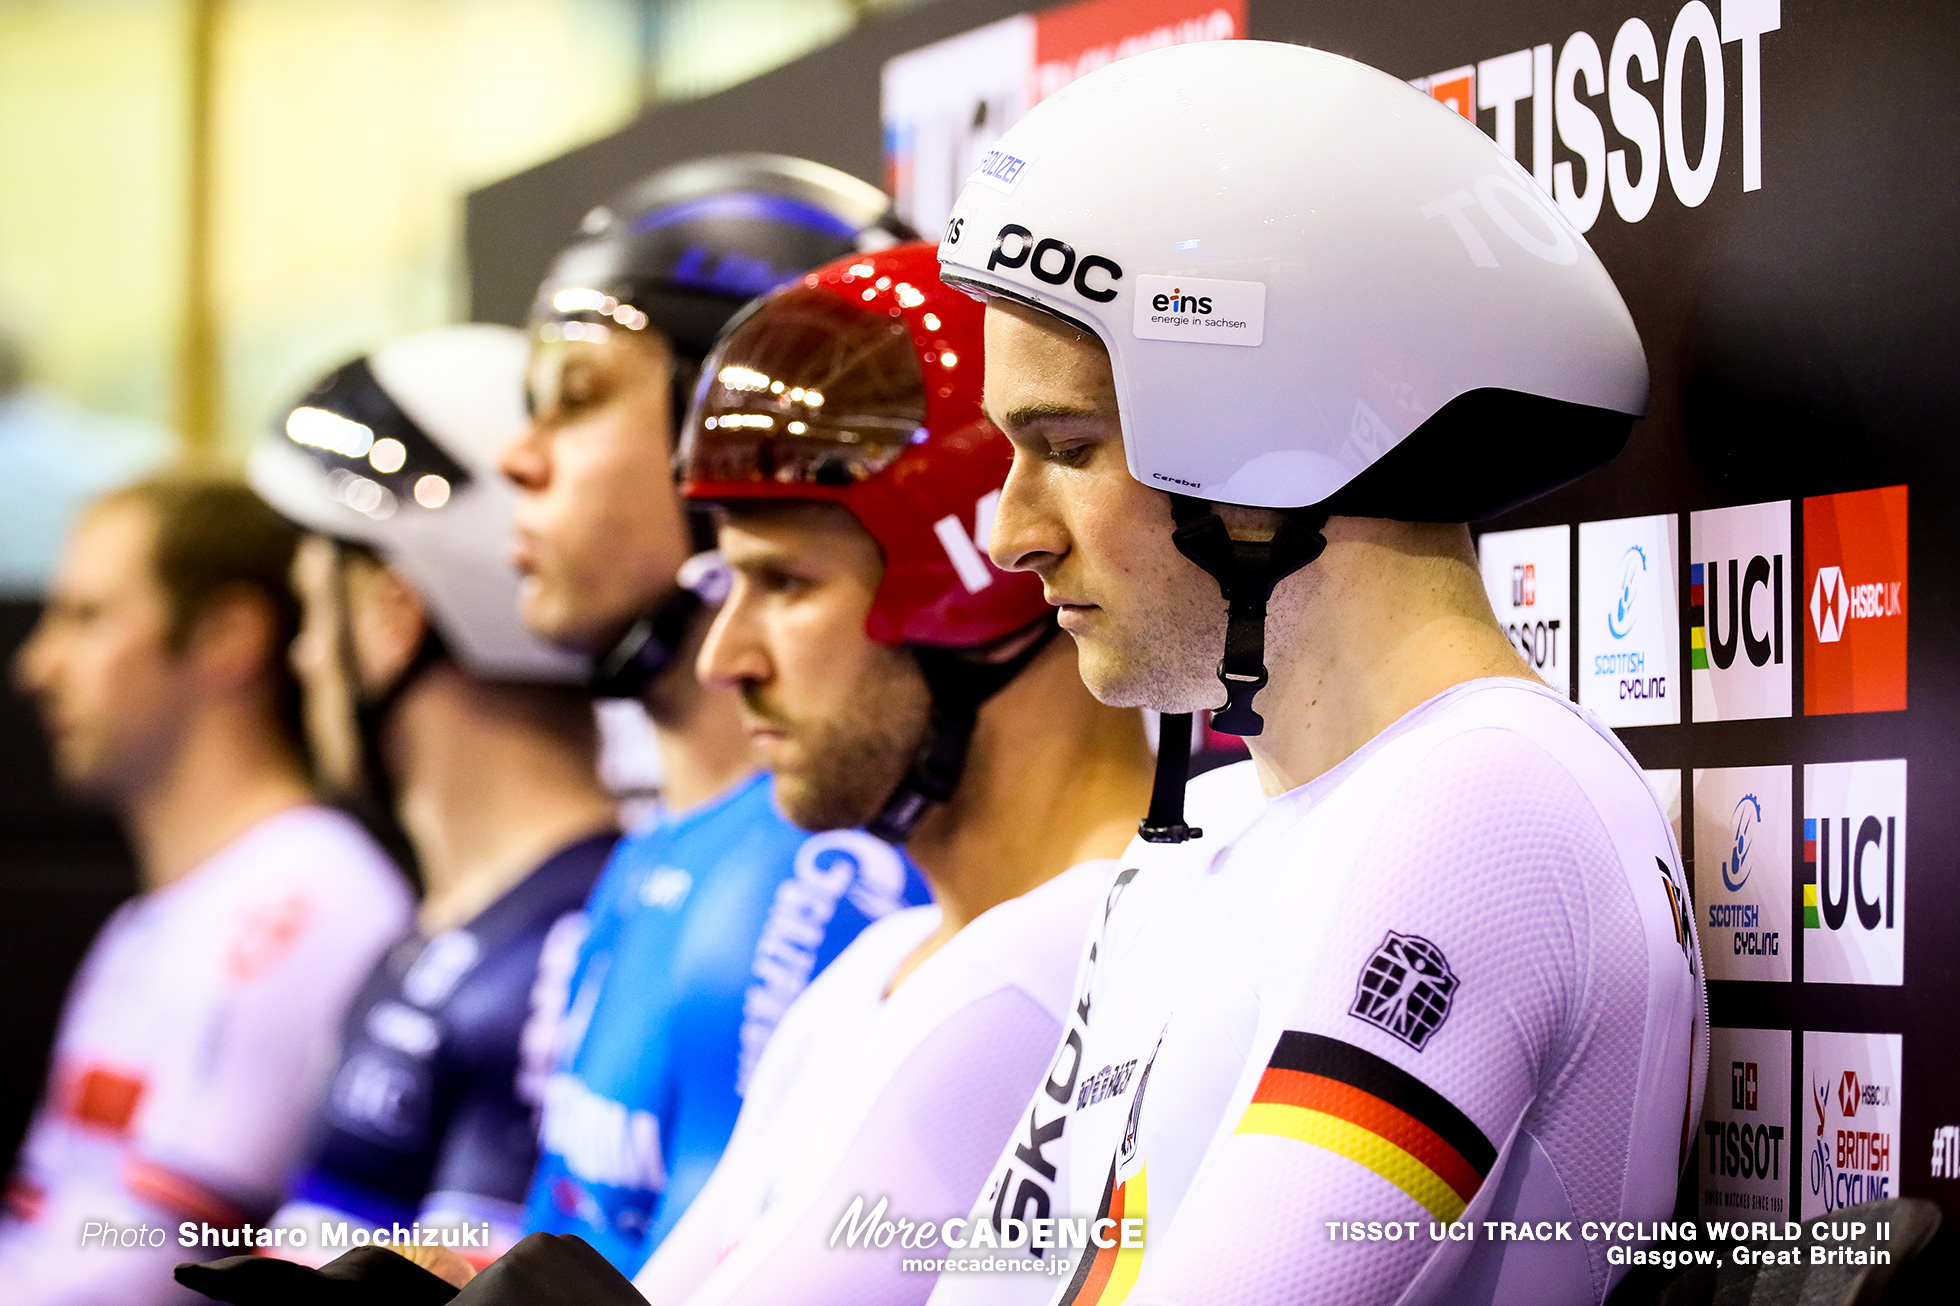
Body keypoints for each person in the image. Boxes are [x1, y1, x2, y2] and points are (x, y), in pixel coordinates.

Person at [929, 41, 1707, 1306]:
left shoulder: (1490, 805)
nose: (1012, 531)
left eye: (1066, 445)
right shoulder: (1211, 838)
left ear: (1271, 425)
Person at [497, 155, 932, 1276]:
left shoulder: (836, 873)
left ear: (732, 427)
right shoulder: (662, 854)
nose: (517, 457)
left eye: (578, 395)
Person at [244, 325, 622, 1265]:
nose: (298, 659)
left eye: (309, 613)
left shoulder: (548, 951)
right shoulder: (472, 928)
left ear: (387, 618)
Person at [1, 477, 411, 1303]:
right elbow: (52, 1228)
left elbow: (156, 1274)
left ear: (228, 637)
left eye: (87, 618)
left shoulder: (308, 896)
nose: (35, 666)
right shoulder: (152, 920)